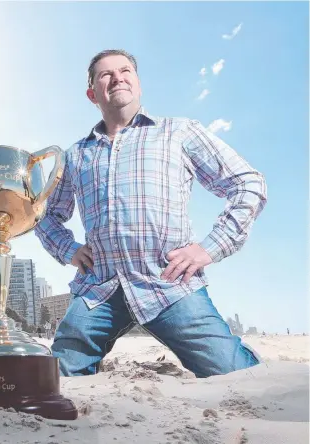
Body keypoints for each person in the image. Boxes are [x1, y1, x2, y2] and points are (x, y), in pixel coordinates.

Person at [35, 49, 267, 378]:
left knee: (230, 370)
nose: (117, 77)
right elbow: (44, 216)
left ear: (138, 84)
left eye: (125, 70)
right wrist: (69, 250)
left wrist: (208, 248)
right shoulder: (75, 156)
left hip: (169, 284)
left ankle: (243, 355)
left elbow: (248, 183)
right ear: (92, 94)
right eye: (105, 74)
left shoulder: (179, 132)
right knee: (56, 376)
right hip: (100, 288)